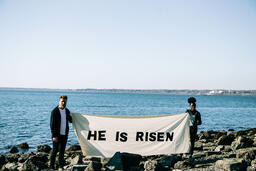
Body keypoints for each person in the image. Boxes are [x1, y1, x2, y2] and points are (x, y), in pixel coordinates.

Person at [50, 95, 72, 170]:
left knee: (62, 151)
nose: (64, 102)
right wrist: (54, 136)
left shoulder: (67, 111)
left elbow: (71, 120)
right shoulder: (55, 111)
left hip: (64, 134)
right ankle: (51, 166)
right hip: (57, 135)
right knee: (55, 151)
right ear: (59, 101)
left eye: (65, 101)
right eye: (62, 101)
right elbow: (52, 124)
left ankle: (60, 166)